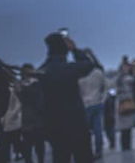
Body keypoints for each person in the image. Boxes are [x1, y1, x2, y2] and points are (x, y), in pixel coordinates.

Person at [39, 33, 95, 163]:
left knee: (60, 157)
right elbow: (88, 64)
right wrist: (75, 50)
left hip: (55, 126)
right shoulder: (69, 68)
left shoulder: (43, 71)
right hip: (77, 123)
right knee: (84, 157)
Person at [78, 51, 106, 159]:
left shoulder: (79, 75)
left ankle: (88, 151)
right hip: (97, 102)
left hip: (85, 104)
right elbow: (104, 87)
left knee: (86, 131)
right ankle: (99, 150)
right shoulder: (97, 72)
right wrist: (102, 99)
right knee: (98, 129)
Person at [17, 65, 46, 163]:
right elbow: (39, 102)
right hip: (36, 120)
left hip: (27, 120)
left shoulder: (19, 86)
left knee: (29, 145)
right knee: (38, 145)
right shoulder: (37, 85)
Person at [114, 62, 135, 151]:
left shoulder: (128, 78)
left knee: (127, 127)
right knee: (125, 127)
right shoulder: (121, 79)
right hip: (124, 102)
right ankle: (125, 145)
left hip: (127, 102)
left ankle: (127, 145)